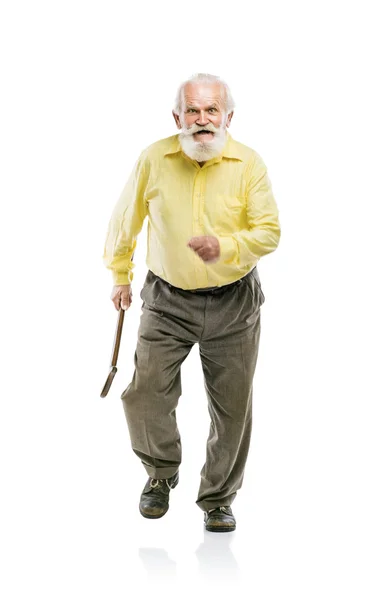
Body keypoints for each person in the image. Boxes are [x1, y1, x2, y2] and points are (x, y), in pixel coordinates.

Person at [102, 73, 281, 532]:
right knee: (144, 395)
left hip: (235, 302)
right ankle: (161, 474)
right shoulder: (154, 158)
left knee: (233, 407)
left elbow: (269, 232)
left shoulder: (249, 164)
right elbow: (127, 218)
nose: (203, 120)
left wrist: (225, 247)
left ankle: (218, 498)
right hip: (166, 300)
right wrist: (121, 274)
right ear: (178, 117)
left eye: (212, 110)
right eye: (194, 111)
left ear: (228, 116)